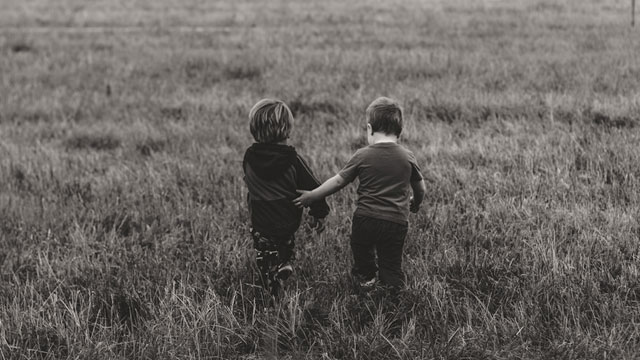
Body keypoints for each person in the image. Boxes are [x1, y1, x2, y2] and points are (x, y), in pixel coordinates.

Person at [294, 97, 426, 291]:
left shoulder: (362, 155)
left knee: (362, 252)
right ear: (400, 131)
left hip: (366, 219)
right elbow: (421, 187)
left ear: (370, 129)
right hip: (396, 222)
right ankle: (393, 287)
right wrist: (416, 202)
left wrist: (313, 195)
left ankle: (365, 280)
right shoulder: (407, 156)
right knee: (391, 260)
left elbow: (339, 181)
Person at [243, 98, 329, 296]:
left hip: (261, 220)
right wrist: (319, 212)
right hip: (287, 218)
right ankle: (284, 262)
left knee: (264, 252)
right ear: (288, 130)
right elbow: (313, 187)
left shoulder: (249, 157)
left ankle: (270, 282)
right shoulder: (293, 159)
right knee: (285, 242)